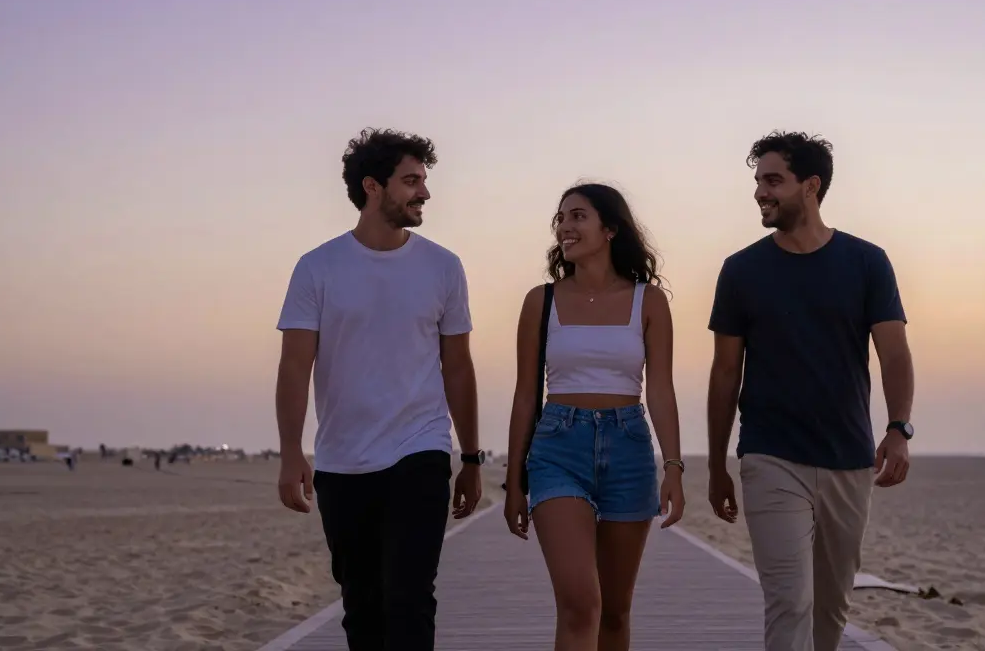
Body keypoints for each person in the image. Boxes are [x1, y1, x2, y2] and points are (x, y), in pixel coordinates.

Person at [273, 127, 484, 651]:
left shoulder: (443, 267)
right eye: (411, 181)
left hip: (421, 449)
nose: (425, 193)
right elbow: (295, 366)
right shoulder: (317, 267)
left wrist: (473, 456)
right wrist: (289, 451)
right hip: (343, 461)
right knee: (362, 604)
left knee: (410, 598)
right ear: (372, 187)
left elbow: (457, 368)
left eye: (424, 180)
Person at [705, 131, 915, 651]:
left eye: (773, 180)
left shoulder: (867, 262)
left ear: (811, 186)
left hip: (848, 458)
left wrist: (898, 427)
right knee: (789, 601)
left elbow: (893, 352)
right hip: (771, 456)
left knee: (830, 607)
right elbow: (725, 374)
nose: (760, 192)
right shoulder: (740, 271)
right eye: (757, 182)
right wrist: (715, 464)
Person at [504, 182, 686, 651]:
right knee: (581, 602)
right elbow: (526, 395)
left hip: (629, 447)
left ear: (610, 229)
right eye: (561, 218)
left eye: (578, 216)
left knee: (615, 613)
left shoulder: (649, 301)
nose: (566, 226)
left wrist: (674, 466)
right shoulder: (539, 301)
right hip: (557, 448)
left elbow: (661, 390)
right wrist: (513, 481)